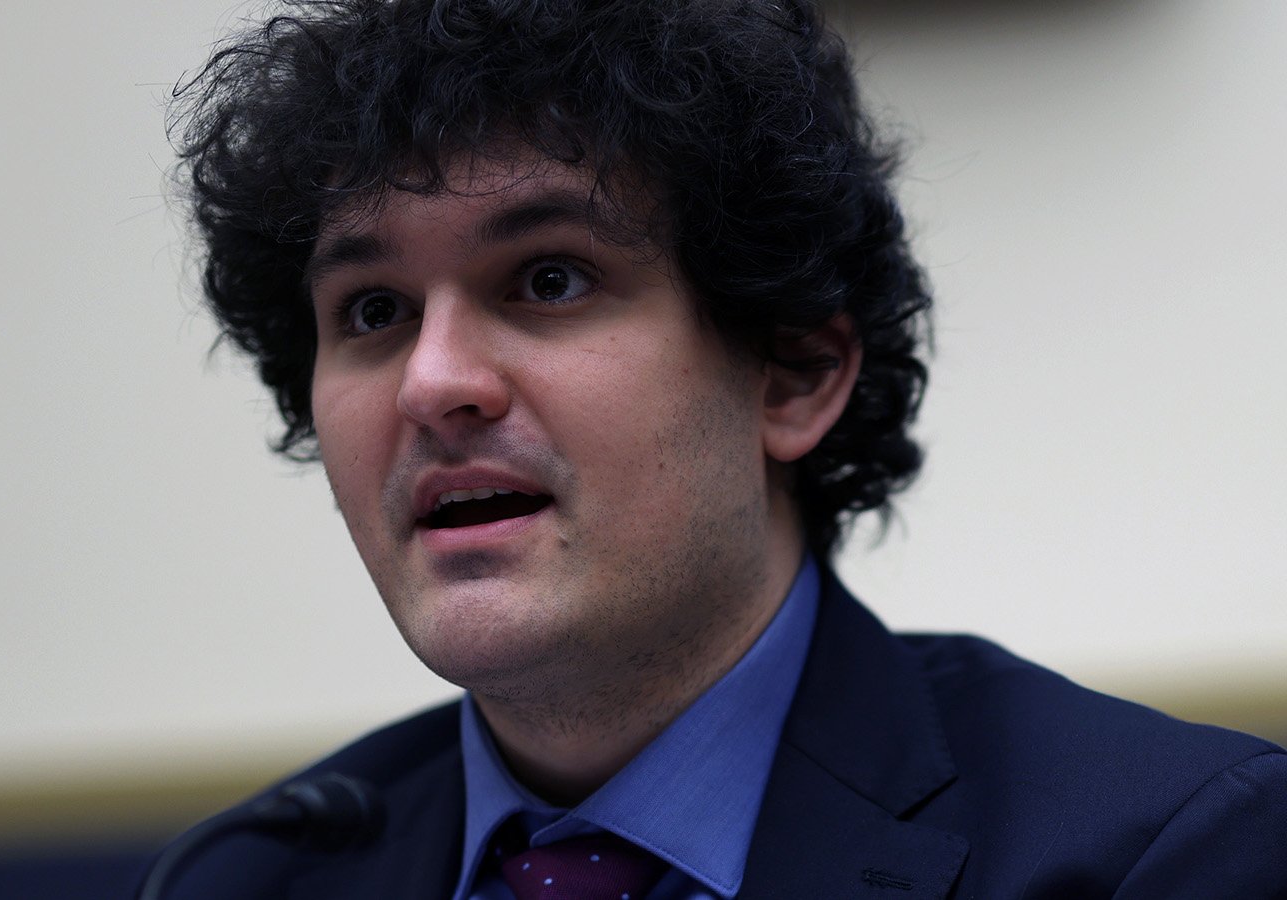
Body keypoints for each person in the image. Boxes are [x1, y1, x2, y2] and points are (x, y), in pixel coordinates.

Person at [155, 0, 1287, 896]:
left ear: (793, 374)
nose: (432, 381)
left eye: (549, 280)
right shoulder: (249, 875)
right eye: (372, 311)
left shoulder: (1163, 853)